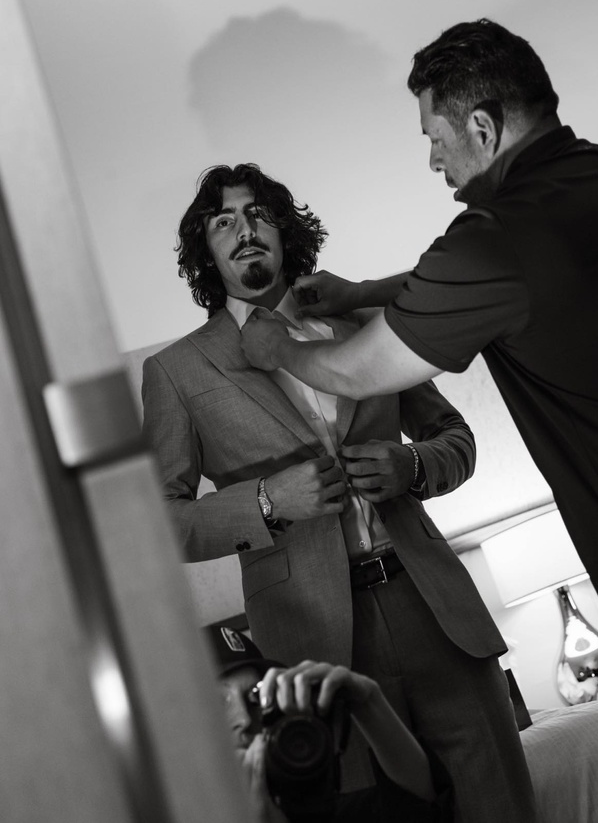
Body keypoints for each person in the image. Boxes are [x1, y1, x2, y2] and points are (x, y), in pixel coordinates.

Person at [241, 20, 598, 823]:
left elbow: (354, 370)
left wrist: (275, 347)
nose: (432, 160)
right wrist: (365, 291)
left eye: (434, 138)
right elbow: (522, 276)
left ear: (481, 126)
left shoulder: (492, 240)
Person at [141, 162, 535, 823]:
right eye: (223, 221)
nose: (245, 230)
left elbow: (454, 436)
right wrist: (266, 501)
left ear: (284, 230)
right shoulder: (176, 371)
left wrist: (412, 466)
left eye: (258, 213)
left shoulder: (361, 323)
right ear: (206, 251)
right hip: (309, 644)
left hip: (436, 611)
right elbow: (160, 524)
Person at [209, 624, 453, 823]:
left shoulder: (310, 811)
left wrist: (368, 703)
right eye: (219, 702)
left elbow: (418, 807)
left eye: (255, 698)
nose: (244, 719)